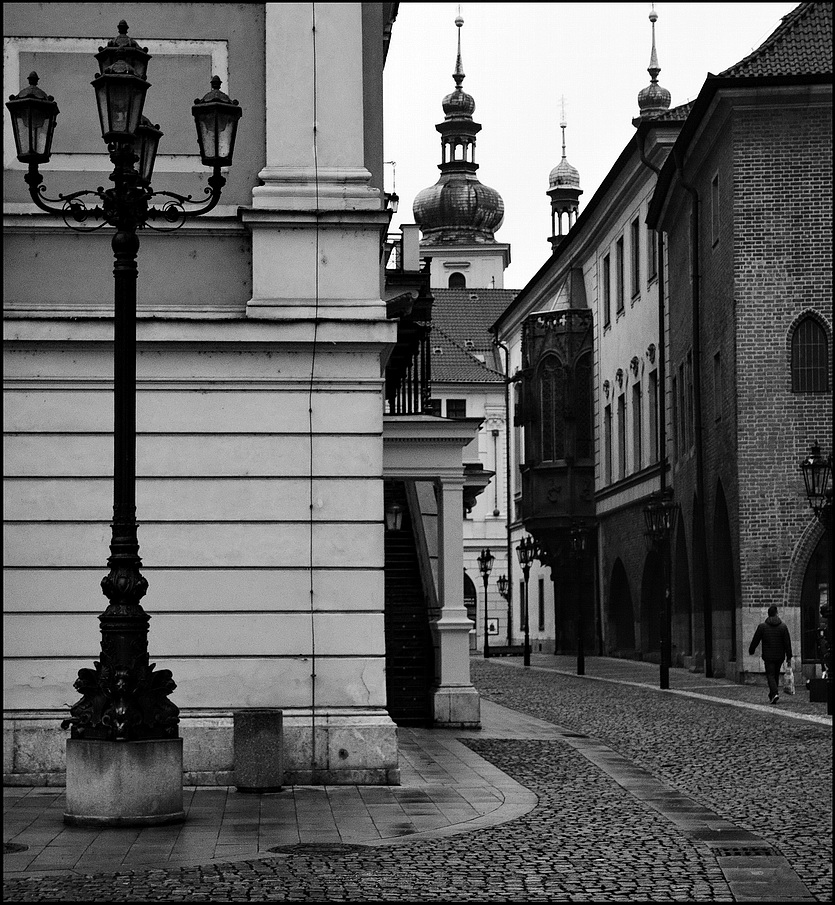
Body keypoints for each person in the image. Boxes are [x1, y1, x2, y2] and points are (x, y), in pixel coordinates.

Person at [749, 604, 793, 704]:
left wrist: (752, 650)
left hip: (768, 655)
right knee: (775, 674)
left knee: (770, 674)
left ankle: (774, 693)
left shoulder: (762, 627)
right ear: (776, 613)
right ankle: (773, 694)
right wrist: (789, 656)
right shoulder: (783, 627)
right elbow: (787, 643)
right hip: (779, 656)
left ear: (768, 614)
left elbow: (756, 640)